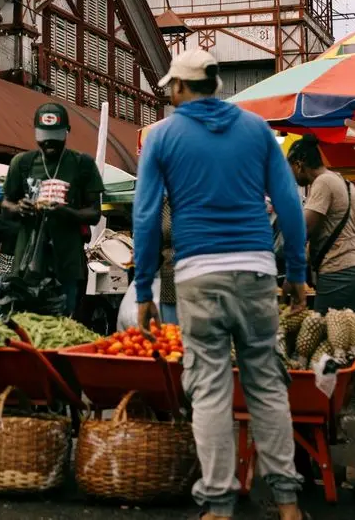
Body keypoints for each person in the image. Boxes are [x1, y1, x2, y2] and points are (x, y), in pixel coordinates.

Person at [133, 49, 308, 520]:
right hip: (255, 268)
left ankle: (219, 505)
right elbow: (289, 203)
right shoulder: (257, 130)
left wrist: (144, 287)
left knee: (209, 389)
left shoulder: (162, 136)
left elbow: (147, 216)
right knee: (267, 386)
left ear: (178, 88)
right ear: (216, 84)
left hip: (196, 273)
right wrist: (296, 272)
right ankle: (288, 504)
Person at [0, 103, 103, 318]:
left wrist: (66, 212)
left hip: (66, 265)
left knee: (63, 326)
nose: (49, 142)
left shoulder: (83, 165)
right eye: (44, 136)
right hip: (27, 266)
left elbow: (94, 213)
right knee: (25, 326)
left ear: (67, 132)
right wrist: (19, 208)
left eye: (55, 136)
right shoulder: (22, 163)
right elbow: (5, 206)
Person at [287, 134, 355, 313]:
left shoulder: (323, 182)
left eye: (290, 169)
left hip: (339, 271)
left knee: (325, 336)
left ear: (298, 165)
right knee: (350, 337)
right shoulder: (345, 183)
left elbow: (303, 229)